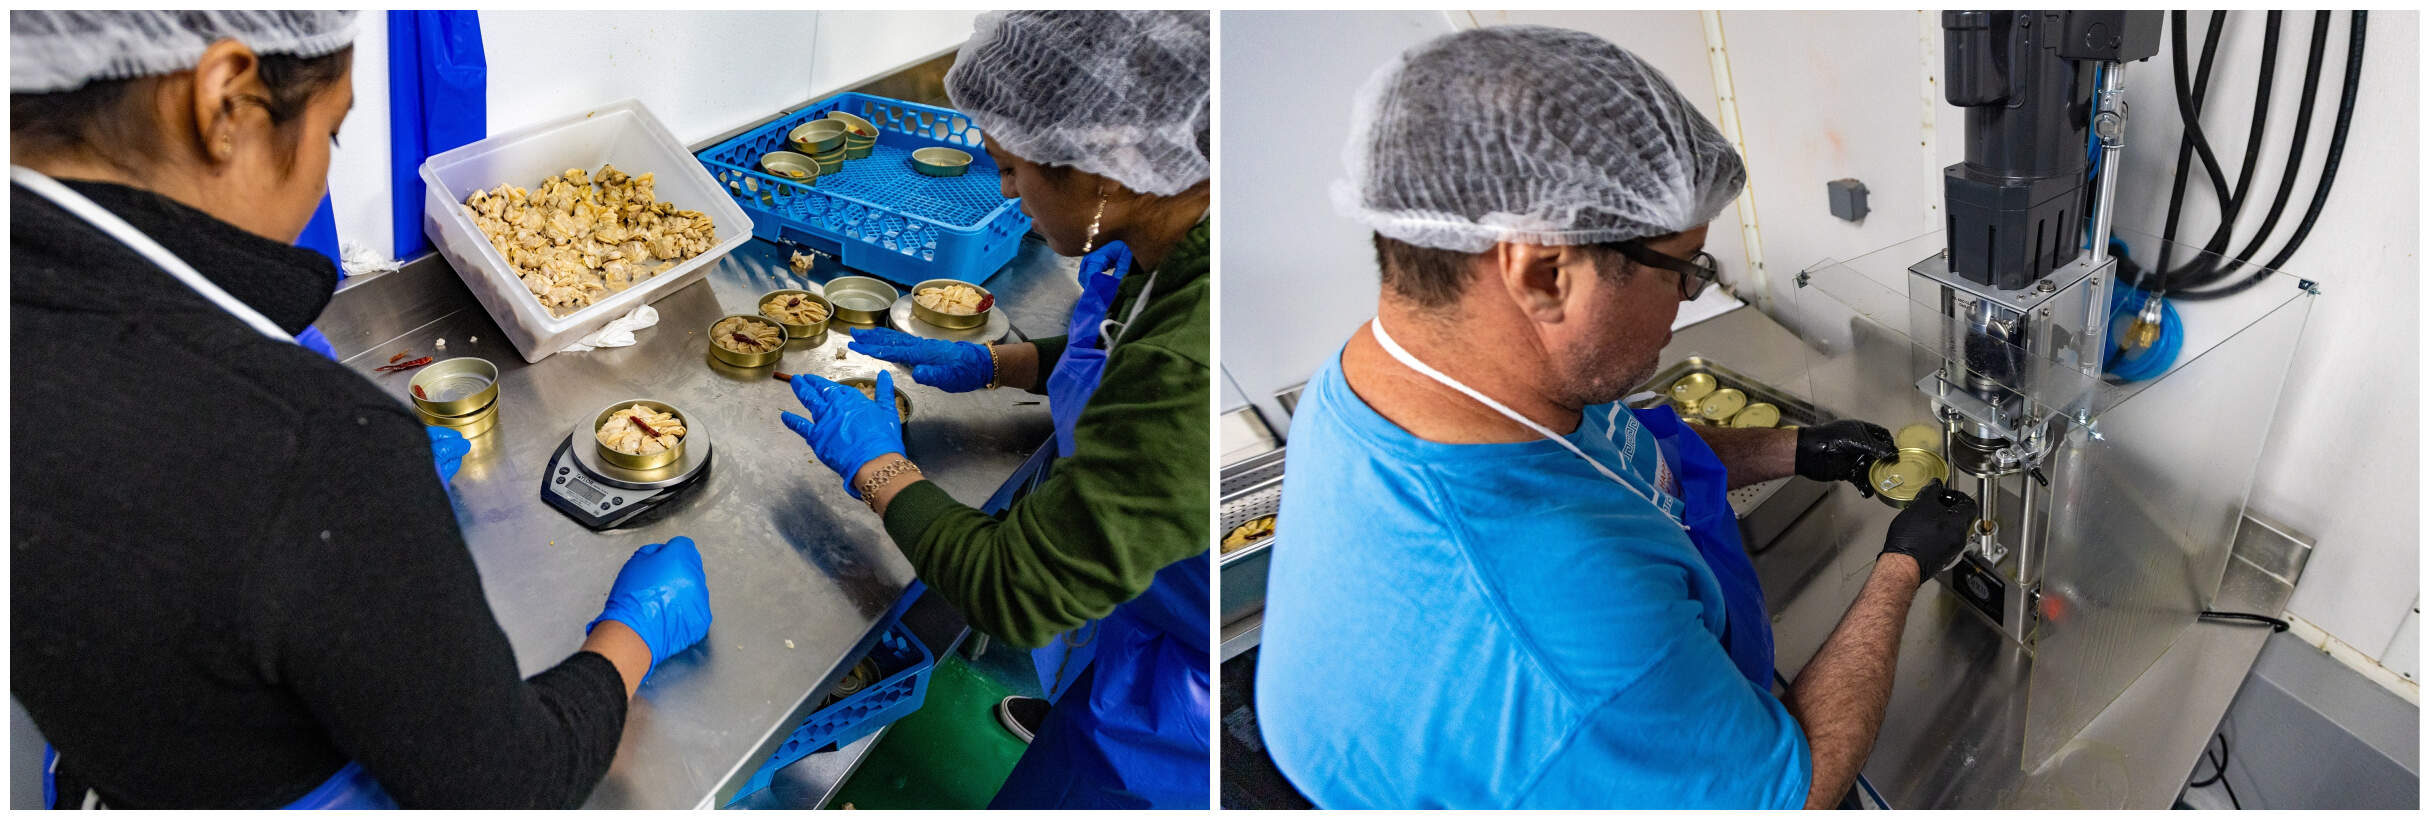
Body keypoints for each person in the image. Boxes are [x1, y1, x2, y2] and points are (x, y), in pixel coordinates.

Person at [1254, 26, 1980, 809]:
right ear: (1543, 274)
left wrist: (1799, 449)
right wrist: (1901, 565)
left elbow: (1621, 458)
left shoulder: (1406, 377)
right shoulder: (1563, 616)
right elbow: (1794, 793)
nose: (1691, 296)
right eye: (1683, 270)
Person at [10, 11, 711, 809]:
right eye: (332, 134)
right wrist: (632, 634)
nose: (320, 174)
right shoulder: (312, 449)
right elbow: (508, 780)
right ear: (224, 102)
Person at [776, 10, 1211, 810]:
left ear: (1106, 170)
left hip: (1192, 702)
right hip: (1144, 603)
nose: (1006, 191)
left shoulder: (1192, 353)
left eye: (1014, 170)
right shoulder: (1173, 228)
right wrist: (996, 362)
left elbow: (1015, 586)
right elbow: (1124, 353)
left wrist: (876, 465)